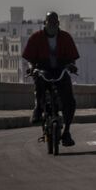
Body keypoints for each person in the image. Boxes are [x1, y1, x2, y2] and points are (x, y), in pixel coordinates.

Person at [22, 11, 79, 147]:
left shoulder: (66, 37)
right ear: (45, 24)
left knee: (69, 100)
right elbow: (30, 58)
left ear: (58, 24)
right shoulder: (36, 38)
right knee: (39, 84)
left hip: (60, 71)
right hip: (43, 70)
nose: (52, 26)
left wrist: (71, 66)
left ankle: (67, 131)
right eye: (50, 23)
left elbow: (72, 58)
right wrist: (32, 68)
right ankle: (37, 109)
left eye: (55, 24)